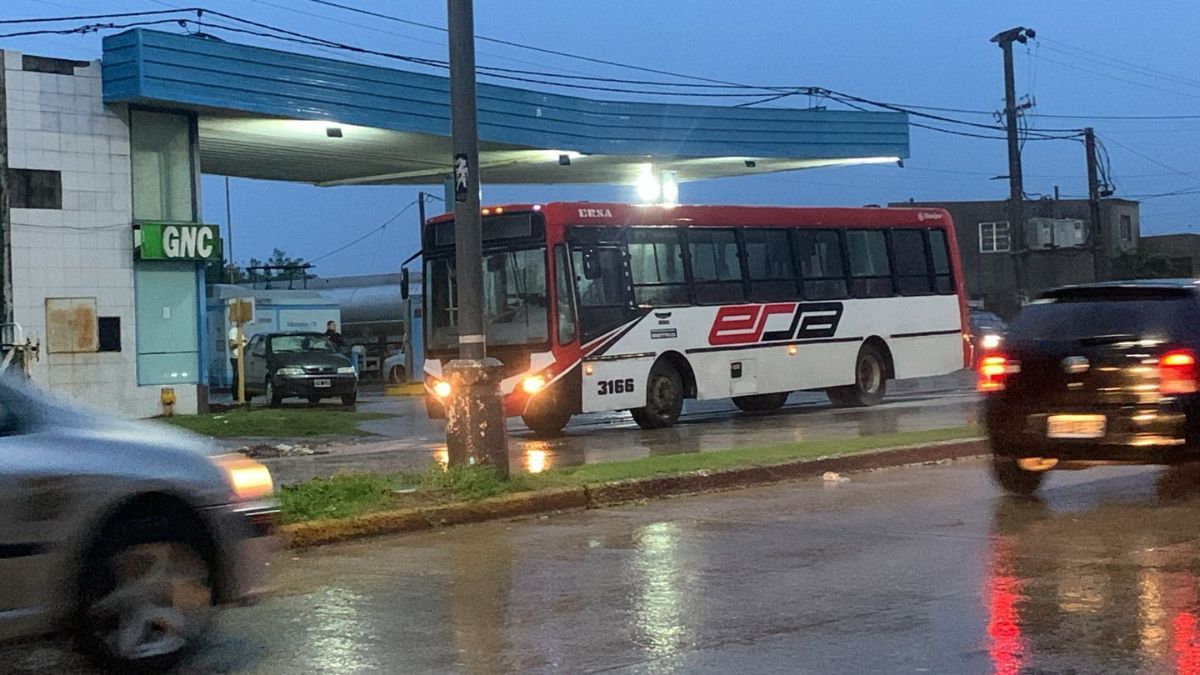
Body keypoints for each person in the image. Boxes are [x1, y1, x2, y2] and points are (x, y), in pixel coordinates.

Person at [228, 324, 246, 397]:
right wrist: (241, 341)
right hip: (236, 357)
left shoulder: (240, 331)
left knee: (240, 376)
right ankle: (235, 394)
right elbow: (231, 343)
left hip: (241, 357)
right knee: (237, 375)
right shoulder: (233, 331)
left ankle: (241, 393)